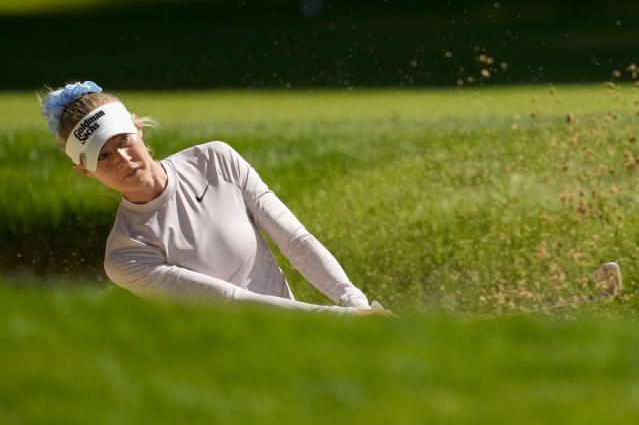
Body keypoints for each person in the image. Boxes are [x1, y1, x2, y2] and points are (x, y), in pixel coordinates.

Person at [40, 81, 390, 316]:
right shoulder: (126, 254)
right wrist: (346, 320)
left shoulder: (215, 159)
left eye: (122, 141)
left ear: (136, 127)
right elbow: (232, 302)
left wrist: (355, 303)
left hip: (302, 335)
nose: (123, 160)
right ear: (85, 171)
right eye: (103, 156)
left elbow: (294, 239)